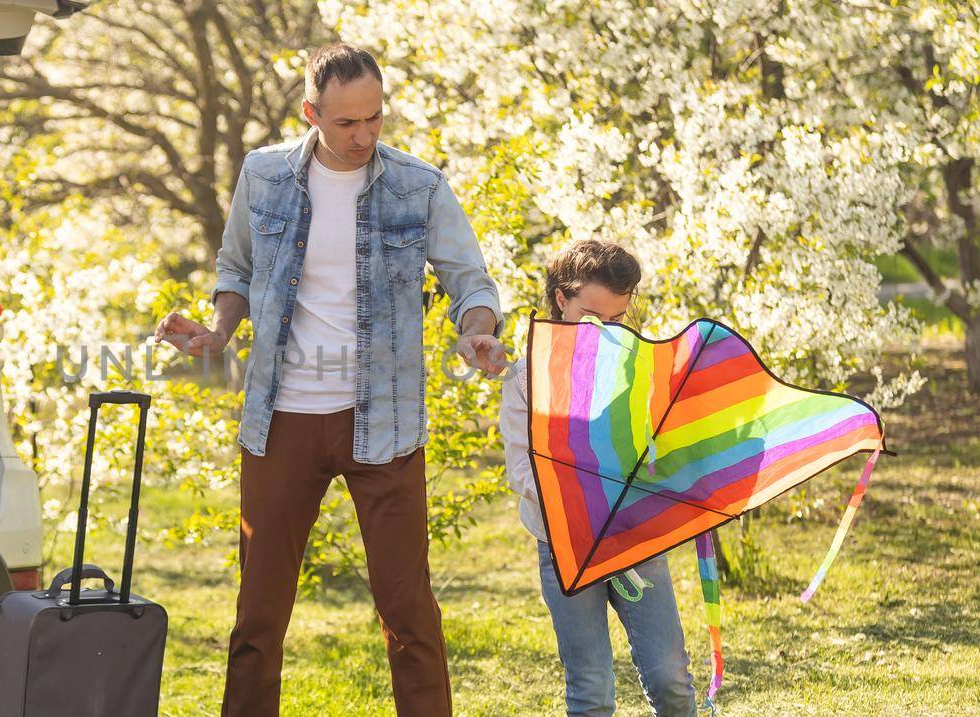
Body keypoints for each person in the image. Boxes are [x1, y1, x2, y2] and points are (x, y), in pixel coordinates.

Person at [156, 42, 507, 717]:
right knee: (258, 614)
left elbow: (471, 281)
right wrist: (216, 333)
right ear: (311, 112)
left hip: (386, 421)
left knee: (408, 611)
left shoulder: (418, 184)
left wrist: (476, 329)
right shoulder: (262, 177)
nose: (364, 135)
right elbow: (235, 270)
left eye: (375, 118)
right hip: (281, 419)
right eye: (347, 122)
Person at [498, 239, 696, 716]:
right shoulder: (527, 376)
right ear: (562, 299)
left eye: (616, 321)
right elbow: (521, 469)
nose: (604, 332)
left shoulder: (636, 370)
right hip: (565, 545)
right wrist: (580, 497)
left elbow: (661, 448)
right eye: (592, 317)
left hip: (634, 540)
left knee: (671, 679)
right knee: (590, 689)